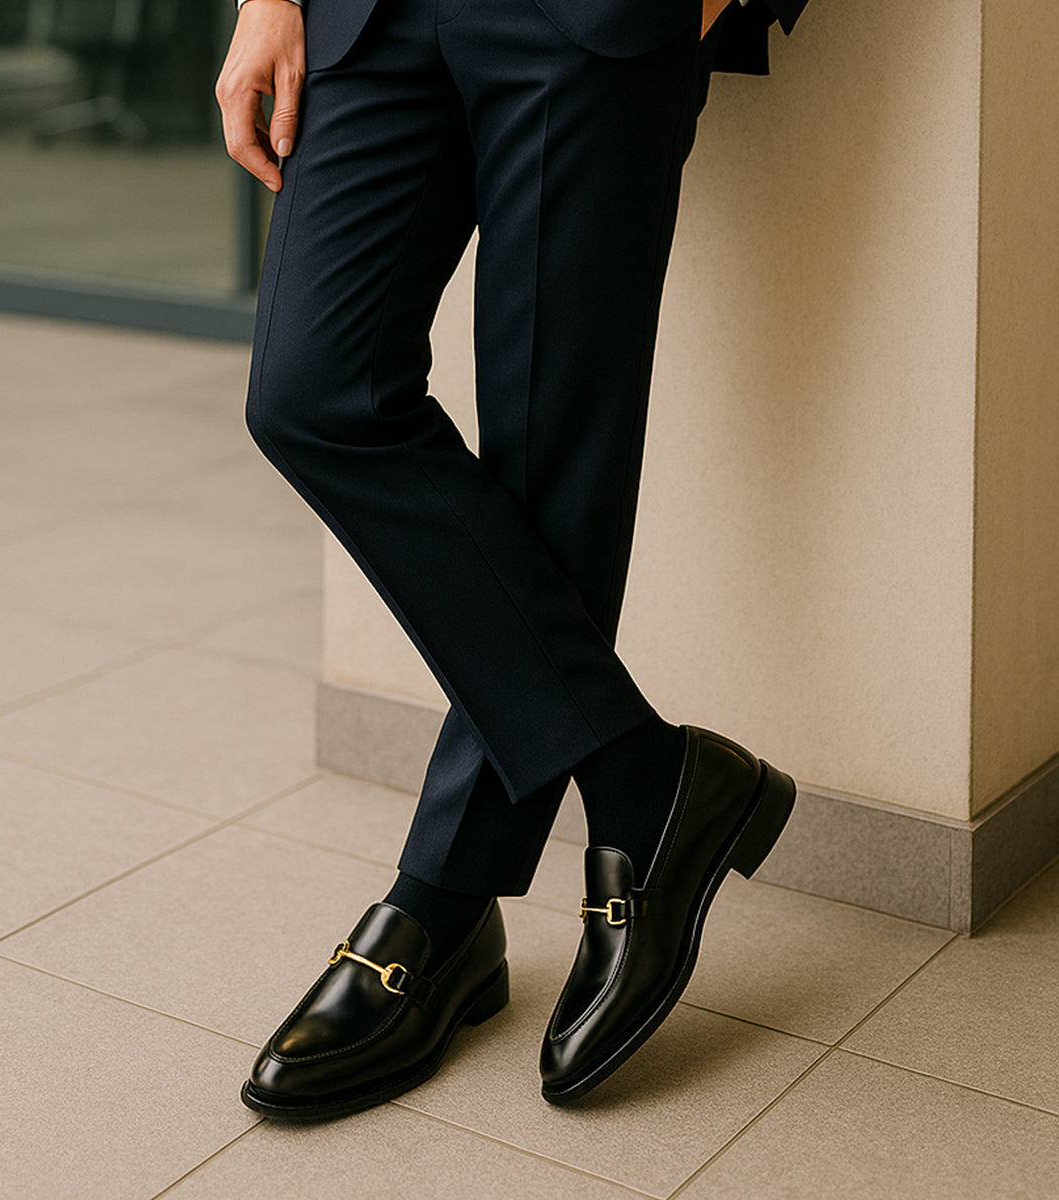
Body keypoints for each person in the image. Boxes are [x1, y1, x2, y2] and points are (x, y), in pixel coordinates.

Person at [216, 0, 807, 1119]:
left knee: (552, 464)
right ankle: (647, 777)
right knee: (311, 394)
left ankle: (438, 910)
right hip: (369, 17)